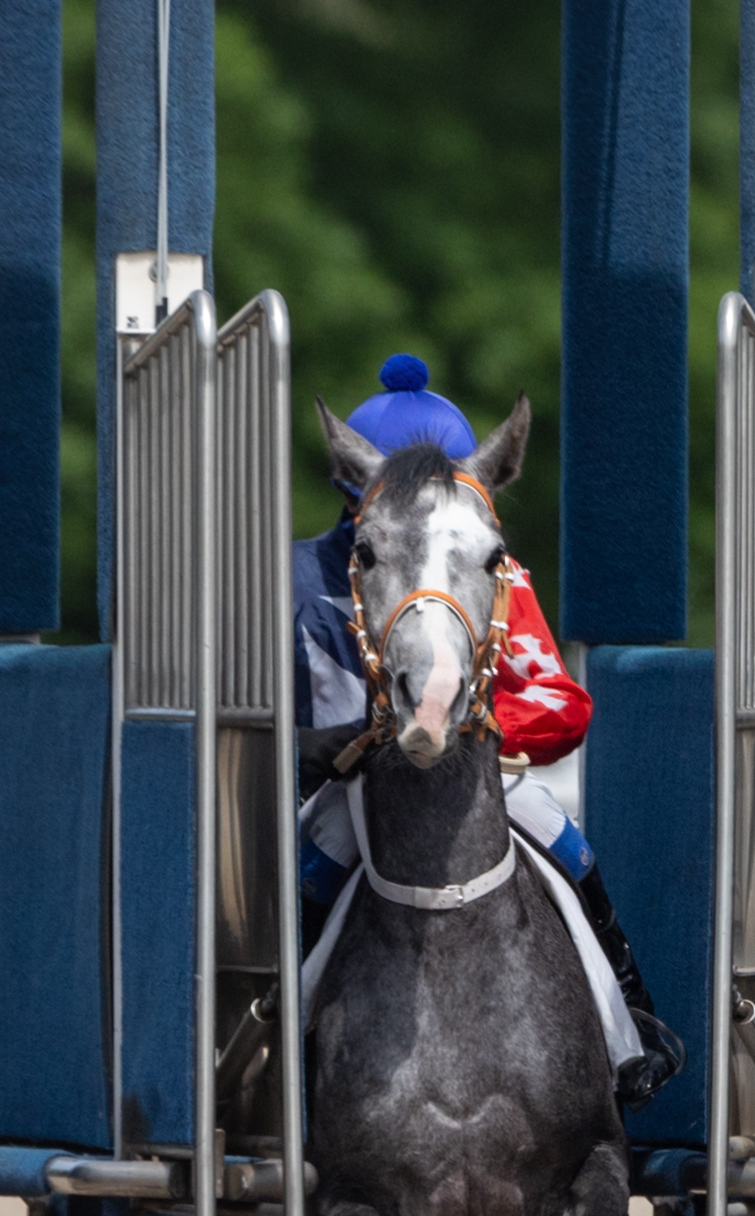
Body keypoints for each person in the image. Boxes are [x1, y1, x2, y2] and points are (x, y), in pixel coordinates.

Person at [292, 355, 681, 1106]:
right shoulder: (312, 581)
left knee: (554, 823)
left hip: (476, 770)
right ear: (357, 494)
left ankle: (626, 1016)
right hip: (359, 784)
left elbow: (559, 702)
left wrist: (487, 725)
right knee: (321, 848)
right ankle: (269, 1035)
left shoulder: (501, 577)